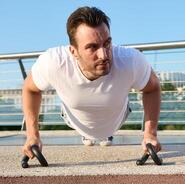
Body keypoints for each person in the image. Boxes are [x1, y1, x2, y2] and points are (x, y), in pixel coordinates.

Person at [22, 6, 161, 159]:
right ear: (73, 51)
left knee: (111, 110)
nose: (104, 55)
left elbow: (152, 88)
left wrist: (150, 133)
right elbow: (30, 89)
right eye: (92, 47)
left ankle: (105, 134)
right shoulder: (54, 62)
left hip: (116, 118)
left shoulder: (131, 60)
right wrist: (32, 135)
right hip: (73, 119)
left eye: (107, 43)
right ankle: (88, 135)